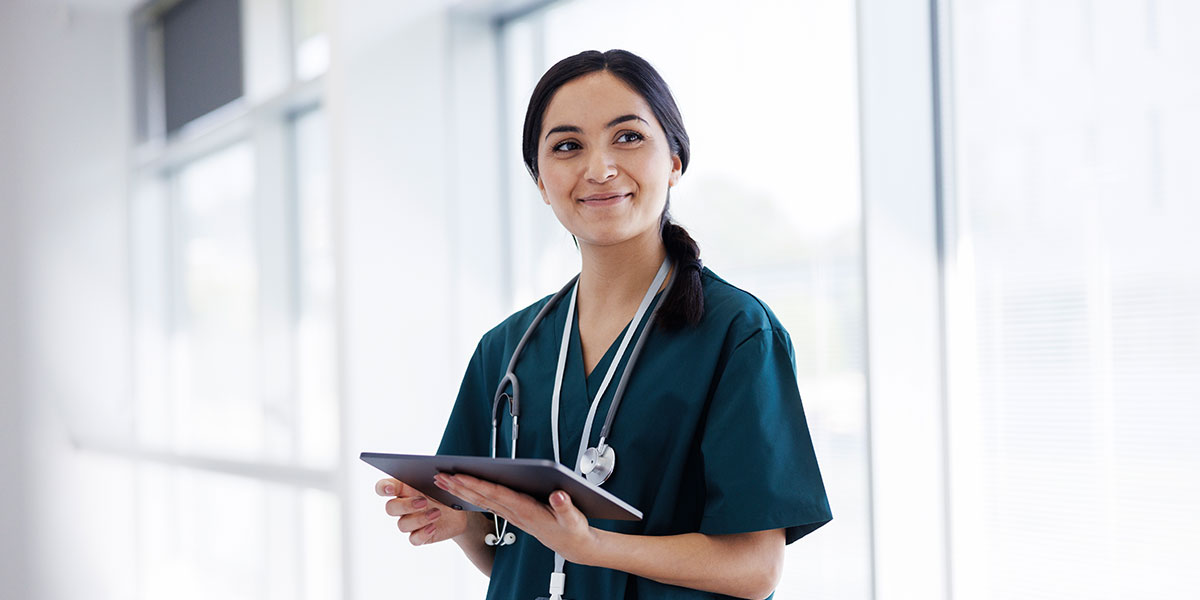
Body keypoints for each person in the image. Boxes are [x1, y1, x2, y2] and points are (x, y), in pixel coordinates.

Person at [375, 49, 831, 600]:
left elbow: (755, 570)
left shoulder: (737, 335)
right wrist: (461, 523)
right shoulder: (506, 351)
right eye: (567, 146)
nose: (599, 169)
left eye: (628, 137)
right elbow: (510, 560)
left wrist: (592, 546)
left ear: (675, 161)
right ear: (541, 181)